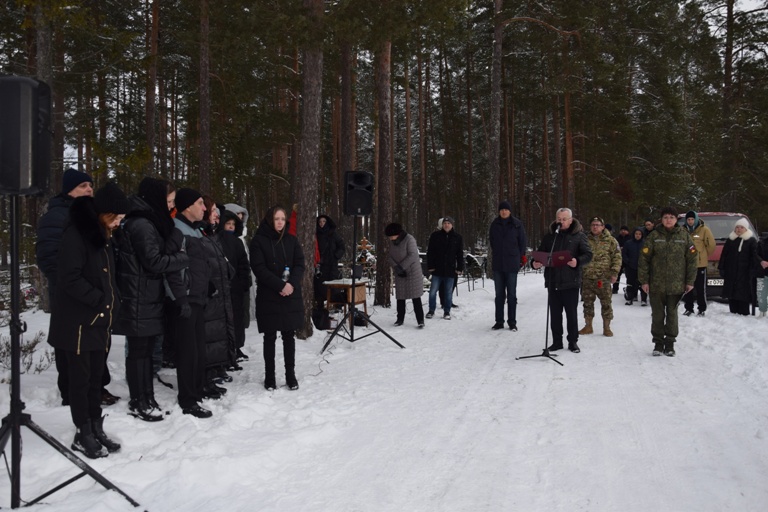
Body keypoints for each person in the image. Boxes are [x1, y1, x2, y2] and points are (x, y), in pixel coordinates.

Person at [48, 182, 129, 459]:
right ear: (104, 213)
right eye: (117, 217)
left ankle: (95, 426)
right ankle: (82, 432)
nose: (119, 222)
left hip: (99, 322)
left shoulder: (103, 236)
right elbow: (69, 278)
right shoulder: (77, 235)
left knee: (96, 380)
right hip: (78, 324)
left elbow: (108, 276)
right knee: (80, 382)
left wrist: (112, 302)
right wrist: (98, 299)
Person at [35, 168, 122, 407]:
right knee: (71, 348)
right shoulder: (56, 216)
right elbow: (49, 258)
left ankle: (97, 388)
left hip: (94, 295)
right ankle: (71, 394)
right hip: (70, 296)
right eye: (83, 186)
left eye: (91, 185)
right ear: (69, 189)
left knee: (97, 345)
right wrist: (72, 287)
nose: (89, 189)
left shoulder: (92, 215)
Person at [113, 177, 189, 422]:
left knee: (145, 351)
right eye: (168, 201)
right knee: (138, 352)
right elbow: (153, 261)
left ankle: (147, 397)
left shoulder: (148, 221)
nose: (171, 207)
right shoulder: (142, 224)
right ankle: (139, 401)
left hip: (146, 294)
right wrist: (181, 258)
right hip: (138, 295)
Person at [165, 188, 218, 418]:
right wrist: (179, 298)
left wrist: (208, 286)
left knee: (198, 350)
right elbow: (170, 268)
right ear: (187, 206)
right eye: (200, 203)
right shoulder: (176, 231)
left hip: (197, 299)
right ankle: (187, 399)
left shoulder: (195, 231)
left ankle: (197, 391)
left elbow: (199, 265)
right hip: (184, 301)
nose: (204, 208)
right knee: (187, 353)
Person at [249, 205, 305, 391]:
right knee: (270, 337)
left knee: (289, 336)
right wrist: (280, 285)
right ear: (269, 220)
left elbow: (299, 264)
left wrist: (291, 285)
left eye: (283, 218)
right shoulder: (258, 241)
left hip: (290, 295)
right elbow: (259, 268)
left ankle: (291, 375)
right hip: (269, 295)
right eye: (276, 219)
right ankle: (270, 376)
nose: (280, 222)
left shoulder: (291, 240)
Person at [531, 208, 592, 352]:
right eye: (559, 219)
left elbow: (588, 254)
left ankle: (572, 341)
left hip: (570, 280)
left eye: (564, 219)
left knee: (571, 314)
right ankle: (557, 341)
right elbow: (540, 254)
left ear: (570, 220)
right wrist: (534, 263)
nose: (561, 222)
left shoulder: (579, 236)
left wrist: (577, 261)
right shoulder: (550, 236)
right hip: (553, 280)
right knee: (555, 314)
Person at [639, 207, 697, 356]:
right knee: (657, 315)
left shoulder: (684, 236)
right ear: (661, 219)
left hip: (676, 285)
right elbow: (644, 259)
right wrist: (644, 281)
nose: (668, 220)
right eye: (665, 217)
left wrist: (690, 281)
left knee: (672, 315)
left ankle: (670, 343)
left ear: (676, 219)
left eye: (671, 217)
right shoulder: (653, 236)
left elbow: (692, 259)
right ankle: (658, 343)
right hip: (656, 284)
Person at [218, 209, 252, 363]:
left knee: (238, 320)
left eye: (233, 224)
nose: (231, 226)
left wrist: (245, 282)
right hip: (223, 287)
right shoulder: (216, 240)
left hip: (237, 288)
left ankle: (237, 348)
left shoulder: (238, 242)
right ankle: (227, 352)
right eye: (228, 223)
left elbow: (244, 264)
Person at [579, 217, 621, 337]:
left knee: (606, 303)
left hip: (604, 278)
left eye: (598, 225)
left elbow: (617, 257)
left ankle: (606, 327)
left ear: (603, 227)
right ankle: (588, 326)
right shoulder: (584, 239)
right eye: (593, 225)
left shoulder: (611, 240)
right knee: (587, 303)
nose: (595, 227)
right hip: (587, 277)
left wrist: (614, 273)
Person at [489, 201, 527, 331]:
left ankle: (512, 322)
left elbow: (522, 242)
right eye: (502, 210)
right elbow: (492, 242)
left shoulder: (517, 225)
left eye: (506, 209)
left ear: (510, 211)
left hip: (512, 264)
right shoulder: (494, 224)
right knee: (499, 295)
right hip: (498, 264)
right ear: (499, 211)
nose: (504, 212)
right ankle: (499, 321)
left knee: (511, 295)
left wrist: (520, 257)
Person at [718, 218, 767, 315]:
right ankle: (733, 312)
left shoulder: (751, 241)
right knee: (731, 292)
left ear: (746, 229)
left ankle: (744, 313)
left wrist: (760, 263)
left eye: (741, 227)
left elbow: (755, 255)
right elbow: (724, 255)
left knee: (743, 294)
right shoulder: (731, 240)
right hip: (731, 271)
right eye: (737, 227)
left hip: (745, 272)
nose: (739, 229)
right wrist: (721, 268)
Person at [385, 223, 425, 328]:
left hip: (412, 271)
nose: (390, 238)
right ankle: (400, 319)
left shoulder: (409, 239)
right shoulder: (392, 242)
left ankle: (420, 320)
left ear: (397, 234)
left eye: (391, 236)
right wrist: (397, 268)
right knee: (400, 297)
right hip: (400, 272)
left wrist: (402, 267)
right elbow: (389, 256)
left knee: (415, 296)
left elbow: (412, 255)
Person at [425, 216, 464, 320]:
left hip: (450, 270)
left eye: (449, 223)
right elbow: (430, 252)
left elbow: (460, 254)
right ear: (442, 225)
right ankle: (431, 310)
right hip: (437, 269)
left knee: (448, 292)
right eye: (445, 223)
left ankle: (447, 311)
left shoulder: (457, 237)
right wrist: (431, 266)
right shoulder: (435, 236)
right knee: (433, 291)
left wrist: (460, 267)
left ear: (452, 225)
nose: (447, 225)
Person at [682, 210, 716, 317]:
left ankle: (701, 309)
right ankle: (689, 308)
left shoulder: (704, 230)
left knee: (701, 288)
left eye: (692, 219)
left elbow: (711, 245)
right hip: (687, 264)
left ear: (695, 219)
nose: (690, 221)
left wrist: (703, 255)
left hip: (700, 265)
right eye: (688, 219)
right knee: (688, 288)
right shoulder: (682, 230)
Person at [314, 214, 345, 306]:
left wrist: (336, 256)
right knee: (319, 287)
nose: (321, 224)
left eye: (323, 221)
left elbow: (342, 246)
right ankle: (320, 307)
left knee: (333, 286)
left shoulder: (333, 234)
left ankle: (336, 305)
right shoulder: (315, 234)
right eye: (320, 222)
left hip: (331, 265)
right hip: (320, 265)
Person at [621, 227, 648, 306]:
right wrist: (627, 261)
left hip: (642, 268)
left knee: (643, 283)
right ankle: (630, 298)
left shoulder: (645, 243)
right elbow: (624, 254)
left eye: (639, 234)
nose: (638, 235)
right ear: (634, 234)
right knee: (630, 283)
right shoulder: (628, 243)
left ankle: (643, 299)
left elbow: (648, 254)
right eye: (636, 234)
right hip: (631, 267)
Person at [613, 225, 631, 294]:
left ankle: (629, 289)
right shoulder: (617, 238)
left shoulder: (630, 238)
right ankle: (615, 288)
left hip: (627, 258)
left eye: (625, 230)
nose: (623, 231)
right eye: (622, 230)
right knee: (617, 274)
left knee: (629, 275)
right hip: (619, 258)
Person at [757, 232, 768, 317]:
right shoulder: (761, 242)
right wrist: (761, 261)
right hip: (762, 273)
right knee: (761, 294)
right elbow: (755, 254)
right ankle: (762, 311)